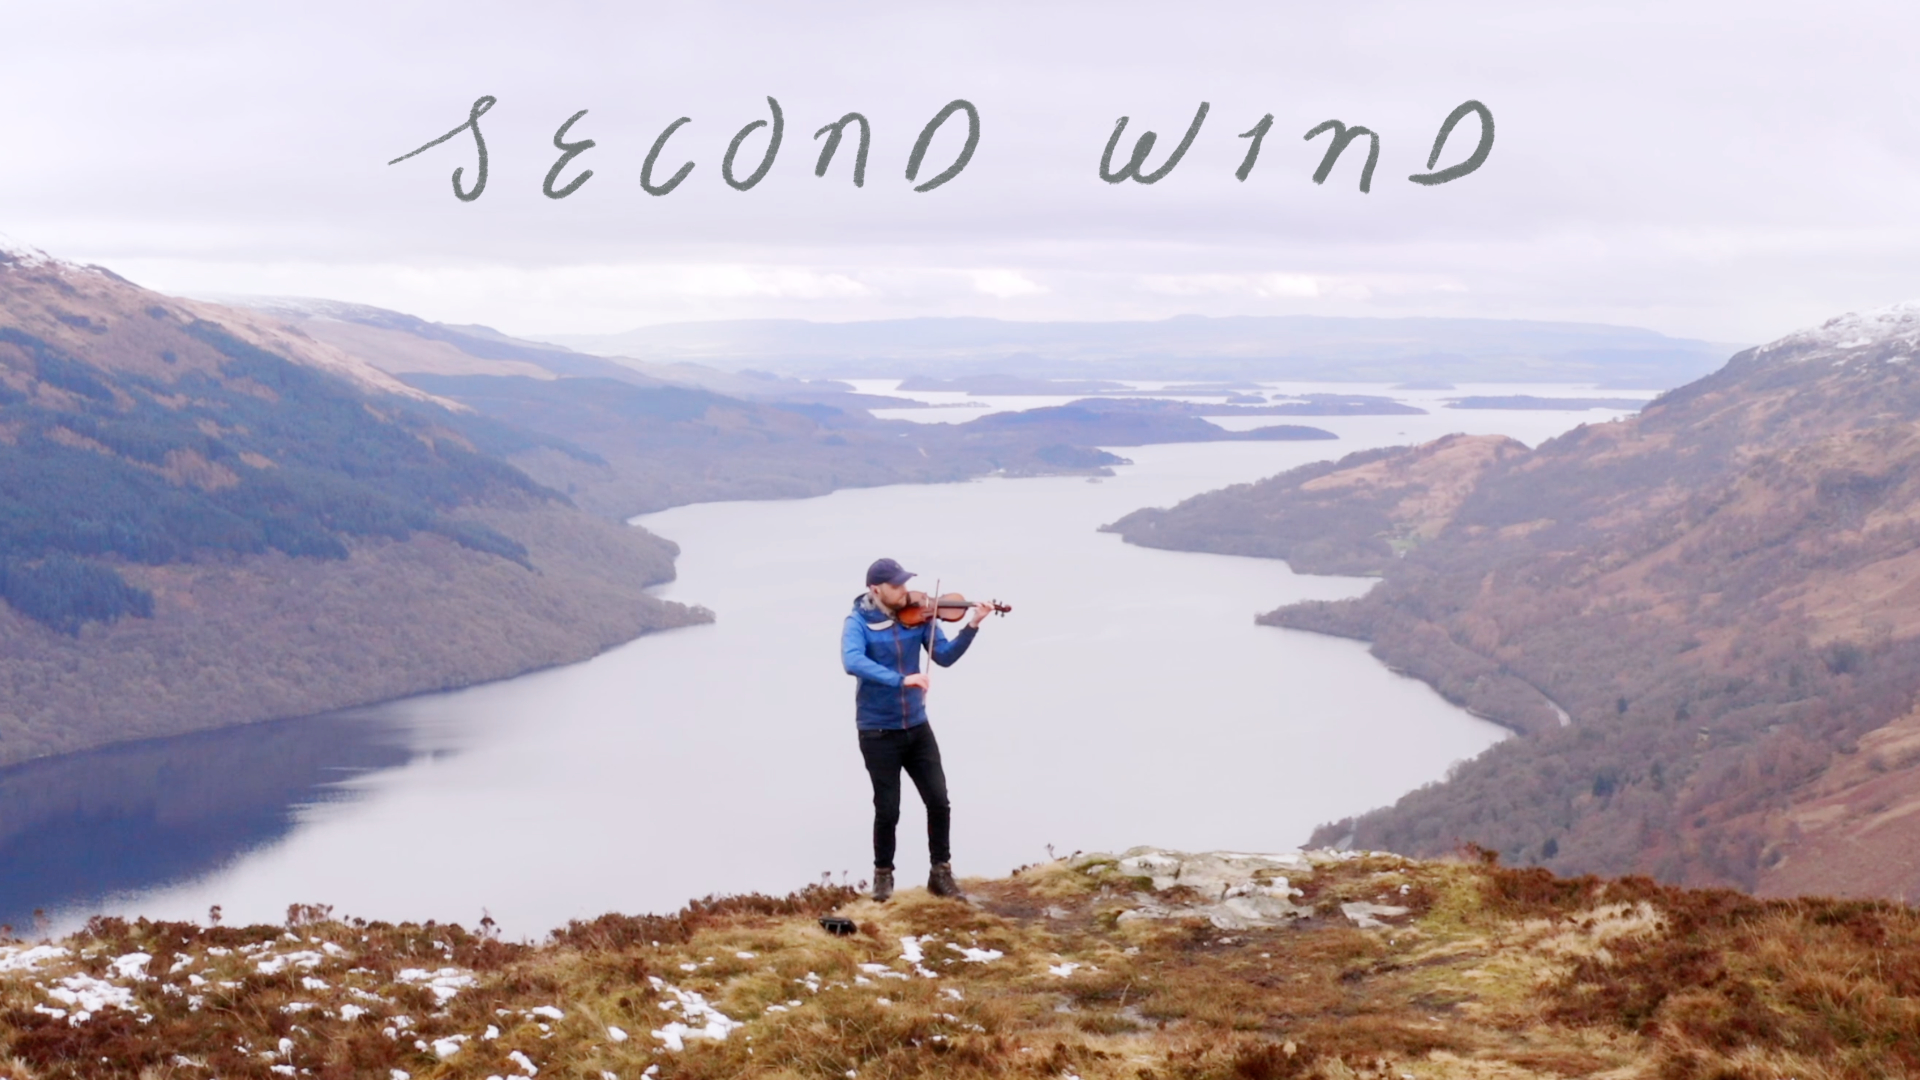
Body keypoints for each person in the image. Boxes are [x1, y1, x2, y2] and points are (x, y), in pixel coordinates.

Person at [842, 557, 993, 902]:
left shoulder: (920, 616)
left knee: (939, 800)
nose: (904, 591)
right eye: (896, 586)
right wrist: (901, 679)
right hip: (877, 730)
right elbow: (852, 661)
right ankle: (883, 879)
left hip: (916, 725)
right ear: (875, 589)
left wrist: (972, 625)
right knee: (888, 809)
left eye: (905, 584)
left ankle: (940, 874)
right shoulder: (858, 623)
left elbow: (945, 656)